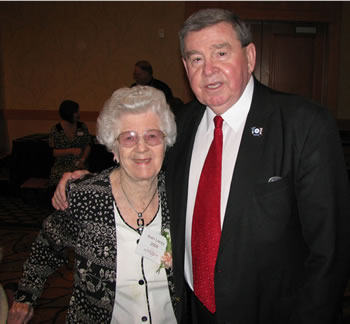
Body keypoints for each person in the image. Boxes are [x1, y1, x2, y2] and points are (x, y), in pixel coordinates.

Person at [52, 8, 350, 324]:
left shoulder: (304, 124)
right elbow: (142, 166)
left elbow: (331, 252)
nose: (208, 70)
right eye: (196, 59)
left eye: (221, 53)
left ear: (249, 57)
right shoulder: (181, 126)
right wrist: (84, 181)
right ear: (185, 67)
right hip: (191, 309)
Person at [8, 86, 179, 324]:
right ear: (113, 147)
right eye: (128, 137)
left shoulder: (181, 194)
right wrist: (25, 297)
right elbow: (47, 245)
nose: (142, 147)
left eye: (152, 136)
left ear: (165, 142)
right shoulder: (86, 196)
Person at [48, 99, 92, 190]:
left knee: (81, 176)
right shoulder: (56, 130)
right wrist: (70, 151)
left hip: (80, 163)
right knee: (60, 176)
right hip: (62, 164)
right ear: (68, 114)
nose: (78, 114)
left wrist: (83, 159)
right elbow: (53, 152)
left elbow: (88, 145)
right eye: (75, 112)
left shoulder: (81, 127)